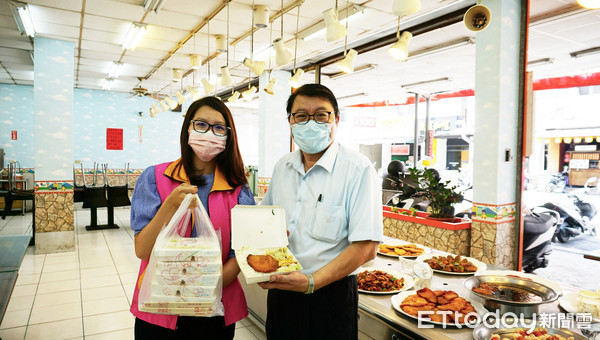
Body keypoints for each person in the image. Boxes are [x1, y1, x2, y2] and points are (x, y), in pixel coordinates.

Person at [259, 84, 383, 339]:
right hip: (282, 292)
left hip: (331, 296)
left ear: (336, 120)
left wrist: (311, 282)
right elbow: (266, 222)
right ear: (291, 122)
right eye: (301, 115)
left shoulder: (357, 169)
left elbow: (367, 247)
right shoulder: (283, 166)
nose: (310, 122)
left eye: (321, 115)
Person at [129, 96, 254, 339]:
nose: (209, 133)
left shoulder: (237, 188)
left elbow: (239, 254)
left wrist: (202, 289)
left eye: (219, 127)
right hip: (160, 307)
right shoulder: (155, 177)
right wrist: (170, 206)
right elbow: (143, 250)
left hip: (214, 310)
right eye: (201, 124)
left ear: (228, 136)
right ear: (188, 128)